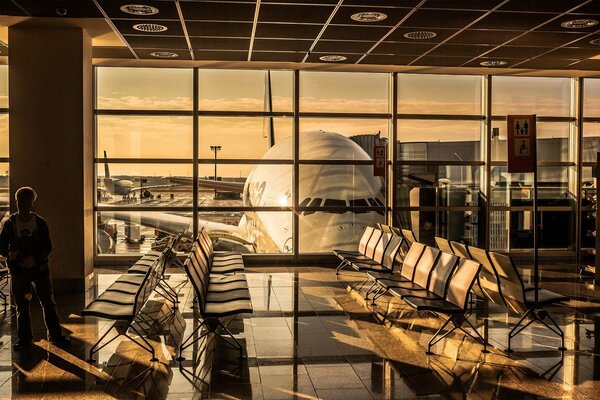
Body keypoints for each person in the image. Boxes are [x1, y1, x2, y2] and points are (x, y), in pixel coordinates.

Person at [0, 187, 71, 349]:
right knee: (46, 303)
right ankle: (55, 336)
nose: (24, 205)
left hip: (22, 270)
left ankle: (26, 340)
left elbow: (3, 247)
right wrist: (35, 258)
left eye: (26, 202)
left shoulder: (11, 224)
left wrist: (14, 255)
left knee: (25, 306)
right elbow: (47, 247)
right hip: (38, 269)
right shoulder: (39, 223)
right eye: (22, 202)